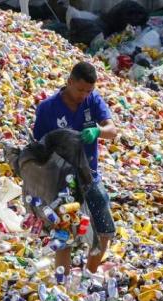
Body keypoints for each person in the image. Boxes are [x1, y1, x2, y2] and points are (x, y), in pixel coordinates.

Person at [33, 61, 118, 275]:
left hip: (89, 177)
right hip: (61, 182)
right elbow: (38, 147)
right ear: (69, 82)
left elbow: (112, 130)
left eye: (88, 91)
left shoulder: (93, 101)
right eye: (80, 89)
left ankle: (89, 276)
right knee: (64, 235)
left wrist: (98, 131)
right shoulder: (48, 108)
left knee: (105, 230)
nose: (83, 95)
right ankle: (64, 282)